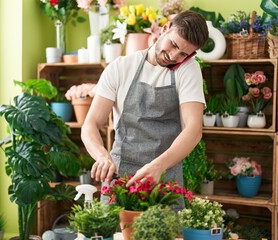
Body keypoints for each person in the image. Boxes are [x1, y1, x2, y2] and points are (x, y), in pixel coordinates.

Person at [81, 10, 209, 191]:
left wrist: (158, 166)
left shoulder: (188, 69)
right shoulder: (121, 67)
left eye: (183, 54)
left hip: (164, 180)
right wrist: (102, 157)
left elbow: (194, 130)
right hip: (119, 177)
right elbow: (90, 124)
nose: (173, 56)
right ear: (164, 29)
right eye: (173, 45)